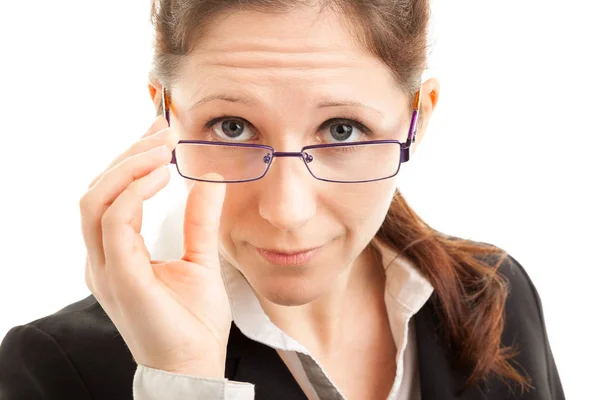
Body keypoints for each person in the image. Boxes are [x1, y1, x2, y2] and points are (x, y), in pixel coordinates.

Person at [0, 1, 564, 399]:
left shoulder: (493, 292)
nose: (287, 212)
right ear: (164, 113)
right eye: (232, 126)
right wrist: (185, 382)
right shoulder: (55, 370)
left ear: (418, 118)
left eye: (342, 129)